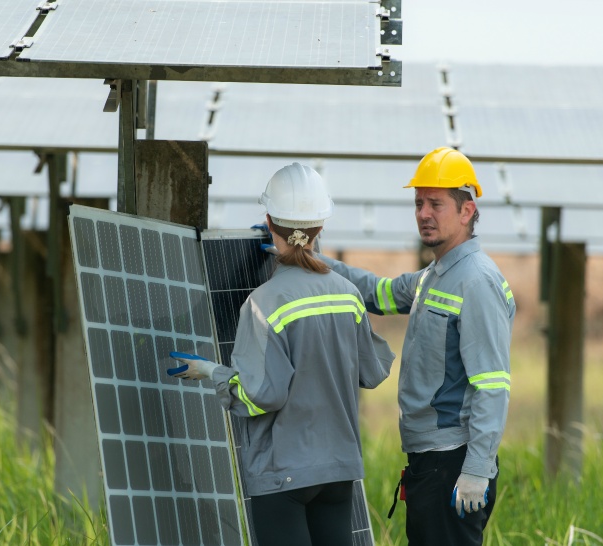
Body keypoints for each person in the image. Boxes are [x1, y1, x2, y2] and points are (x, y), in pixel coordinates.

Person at [167, 162, 395, 546]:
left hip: (282, 474)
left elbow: (263, 396)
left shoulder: (264, 302)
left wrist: (210, 372)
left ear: (269, 220)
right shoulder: (348, 294)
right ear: (321, 226)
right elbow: (373, 371)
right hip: (338, 472)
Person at [318, 147, 515, 545]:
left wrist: (476, 470)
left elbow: (492, 385)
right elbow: (379, 293)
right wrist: (315, 261)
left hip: (453, 461)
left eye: (436, 204)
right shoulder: (435, 275)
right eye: (419, 202)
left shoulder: (475, 281)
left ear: (466, 211)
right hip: (431, 460)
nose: (424, 213)